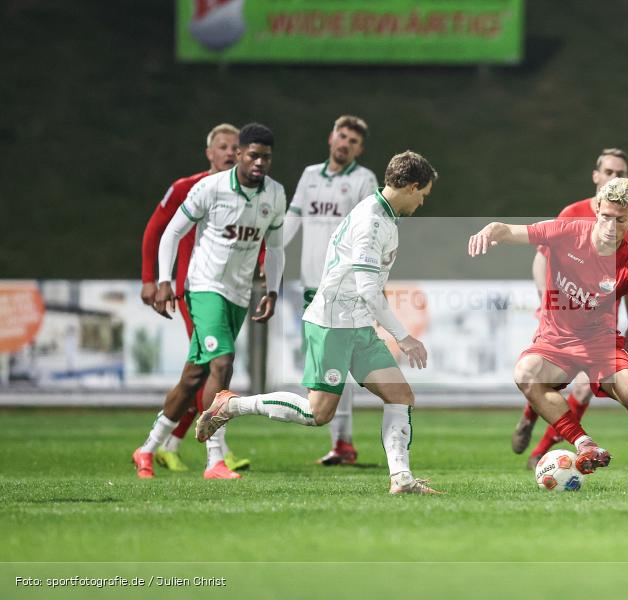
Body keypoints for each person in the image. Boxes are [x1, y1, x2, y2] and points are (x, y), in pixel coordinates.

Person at [194, 151, 441, 495]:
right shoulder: (371, 221)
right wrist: (404, 337)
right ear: (412, 186)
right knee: (317, 413)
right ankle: (232, 405)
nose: (422, 203)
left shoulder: (384, 215)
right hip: (333, 325)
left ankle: (401, 480)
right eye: (423, 194)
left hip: (357, 325)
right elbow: (370, 290)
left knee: (400, 394)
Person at [468, 178, 628, 490]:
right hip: (556, 342)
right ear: (597, 213)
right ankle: (584, 444)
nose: (610, 226)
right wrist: (490, 229)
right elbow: (512, 231)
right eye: (605, 217)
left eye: (620, 220)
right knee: (525, 373)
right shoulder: (566, 232)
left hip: (601, 345)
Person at [132, 123, 286, 480]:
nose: (259, 162)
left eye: (266, 156)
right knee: (223, 362)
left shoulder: (275, 194)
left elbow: (275, 249)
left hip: (238, 293)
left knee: (193, 377)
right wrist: (164, 280)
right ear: (239, 155)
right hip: (204, 288)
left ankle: (148, 448)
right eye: (252, 155)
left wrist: (273, 290)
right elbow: (171, 230)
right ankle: (214, 459)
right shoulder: (210, 188)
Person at [515, 148, 628, 469]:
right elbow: (542, 257)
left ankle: (541, 453)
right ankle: (530, 417)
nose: (616, 178)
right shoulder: (572, 213)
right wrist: (547, 300)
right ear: (596, 176)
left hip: (601, 322)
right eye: (611, 172)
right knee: (541, 377)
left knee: (585, 390)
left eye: (622, 173)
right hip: (561, 317)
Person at [283, 115, 378, 466]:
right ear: (330, 137)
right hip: (311, 288)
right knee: (331, 369)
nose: (345, 144)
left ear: (359, 149)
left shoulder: (363, 179)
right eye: (342, 137)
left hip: (341, 287)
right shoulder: (310, 176)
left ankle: (343, 442)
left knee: (330, 369)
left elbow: (371, 230)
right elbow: (291, 220)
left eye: (353, 142)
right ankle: (343, 443)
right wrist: (268, 252)